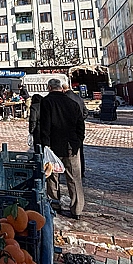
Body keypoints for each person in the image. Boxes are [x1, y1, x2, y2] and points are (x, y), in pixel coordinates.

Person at [41, 79, 85, 219]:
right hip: (71, 146)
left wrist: (45, 145)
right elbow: (80, 125)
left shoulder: (46, 102)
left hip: (53, 146)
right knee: (74, 178)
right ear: (61, 88)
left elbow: (45, 125)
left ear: (49, 87)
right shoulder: (72, 103)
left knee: (52, 177)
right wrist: (78, 141)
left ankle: (54, 204)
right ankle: (77, 210)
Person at [63, 83, 88, 177]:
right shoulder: (79, 98)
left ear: (63, 89)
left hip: (68, 128)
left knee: (68, 150)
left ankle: (69, 170)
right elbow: (85, 112)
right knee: (79, 150)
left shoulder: (65, 99)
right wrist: (80, 120)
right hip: (79, 128)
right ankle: (81, 170)